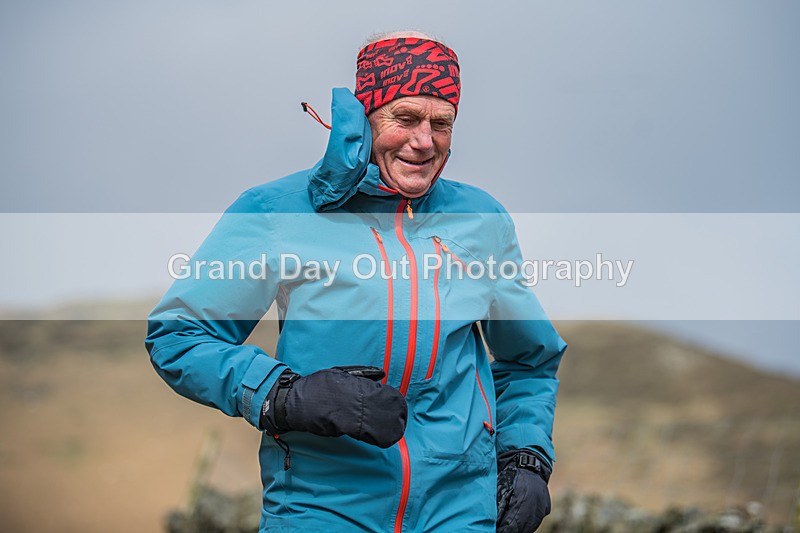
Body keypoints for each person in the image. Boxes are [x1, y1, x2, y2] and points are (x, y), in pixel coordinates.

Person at [146, 30, 566, 533]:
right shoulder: (278, 212)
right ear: (366, 118)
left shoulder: (480, 218)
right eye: (405, 118)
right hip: (322, 511)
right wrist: (284, 394)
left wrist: (525, 456)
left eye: (442, 123)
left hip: (459, 515)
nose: (424, 141)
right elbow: (179, 335)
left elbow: (529, 359)